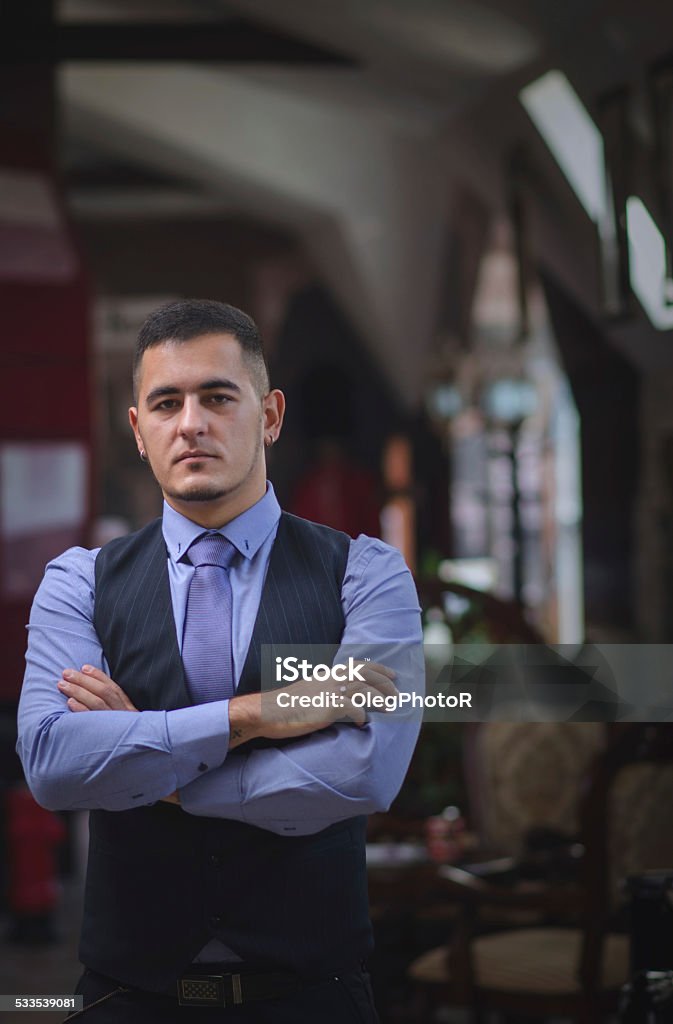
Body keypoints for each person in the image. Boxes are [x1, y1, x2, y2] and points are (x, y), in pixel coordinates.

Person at [17, 299, 424, 1023]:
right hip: (123, 998)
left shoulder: (365, 574)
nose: (191, 423)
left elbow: (365, 769)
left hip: (313, 999)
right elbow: (53, 764)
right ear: (139, 430)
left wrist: (156, 771)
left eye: (216, 397)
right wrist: (256, 714)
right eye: (166, 403)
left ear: (268, 415)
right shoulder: (78, 581)